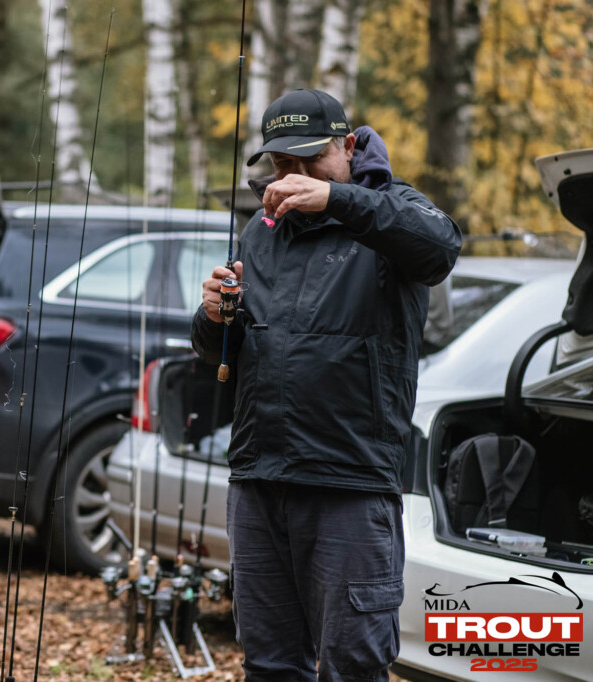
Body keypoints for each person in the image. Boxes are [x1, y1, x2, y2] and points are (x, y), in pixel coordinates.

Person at [192, 89, 462, 681]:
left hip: (350, 484)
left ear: (347, 145)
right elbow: (221, 354)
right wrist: (213, 317)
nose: (295, 176)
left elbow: (441, 248)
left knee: (353, 664)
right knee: (269, 663)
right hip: (259, 480)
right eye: (282, 163)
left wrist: (338, 199)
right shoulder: (260, 230)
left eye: (312, 159)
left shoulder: (390, 207)